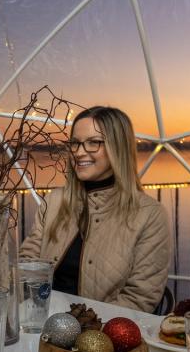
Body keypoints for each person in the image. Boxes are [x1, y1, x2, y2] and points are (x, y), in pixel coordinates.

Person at [20, 106, 172, 313]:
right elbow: (28, 262)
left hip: (101, 337)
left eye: (94, 143)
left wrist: (84, 330)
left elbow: (139, 299)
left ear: (118, 148)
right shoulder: (54, 201)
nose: (80, 152)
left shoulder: (149, 215)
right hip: (41, 322)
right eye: (75, 143)